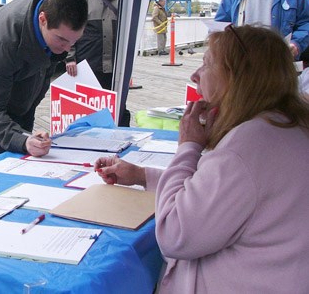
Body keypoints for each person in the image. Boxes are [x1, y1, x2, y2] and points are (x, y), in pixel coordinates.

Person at [96, 25, 309, 293]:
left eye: (207, 65)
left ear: (236, 77)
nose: (195, 75)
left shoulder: (245, 147)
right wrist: (143, 175)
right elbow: (218, 196)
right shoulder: (286, 125)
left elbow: (174, 234)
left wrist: (188, 146)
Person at [0, 0, 88, 161]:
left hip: (22, 97)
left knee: (24, 158)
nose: (67, 49)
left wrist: (26, 137)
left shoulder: (58, 10)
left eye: (74, 41)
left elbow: (45, 69)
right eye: (62, 40)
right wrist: (21, 139)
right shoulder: (2, 41)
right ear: (42, 20)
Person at [64, 0, 130, 126]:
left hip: (115, 62)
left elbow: (127, 29)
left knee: (117, 104)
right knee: (91, 104)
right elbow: (68, 27)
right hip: (89, 59)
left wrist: (128, 63)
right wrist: (70, 57)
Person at [215, 0, 309, 59]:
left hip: (279, 62)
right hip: (242, 62)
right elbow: (219, 28)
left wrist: (296, 44)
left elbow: (305, 23)